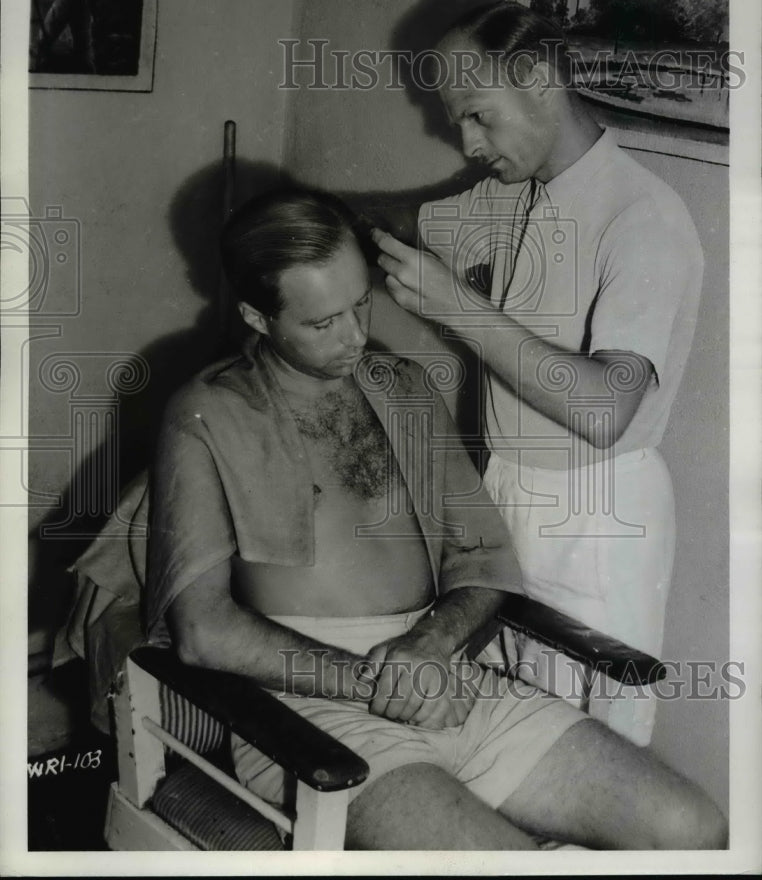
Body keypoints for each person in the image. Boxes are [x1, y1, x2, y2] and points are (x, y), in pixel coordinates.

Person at [144, 187, 724, 851]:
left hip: (443, 672)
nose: (355, 336)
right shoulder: (205, 414)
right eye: (321, 322)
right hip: (301, 706)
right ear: (256, 315)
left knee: (694, 830)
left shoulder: (405, 389)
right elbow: (203, 632)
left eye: (361, 302)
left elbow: (483, 557)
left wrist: (431, 646)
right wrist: (378, 681)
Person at [373, 0, 705, 747]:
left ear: (537, 77)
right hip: (511, 493)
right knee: (500, 725)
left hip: (599, 513)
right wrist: (305, 213)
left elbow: (604, 408)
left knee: (589, 743)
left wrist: (460, 308)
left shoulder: (644, 218)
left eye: (477, 116)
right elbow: (406, 221)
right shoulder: (512, 194)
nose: (465, 140)